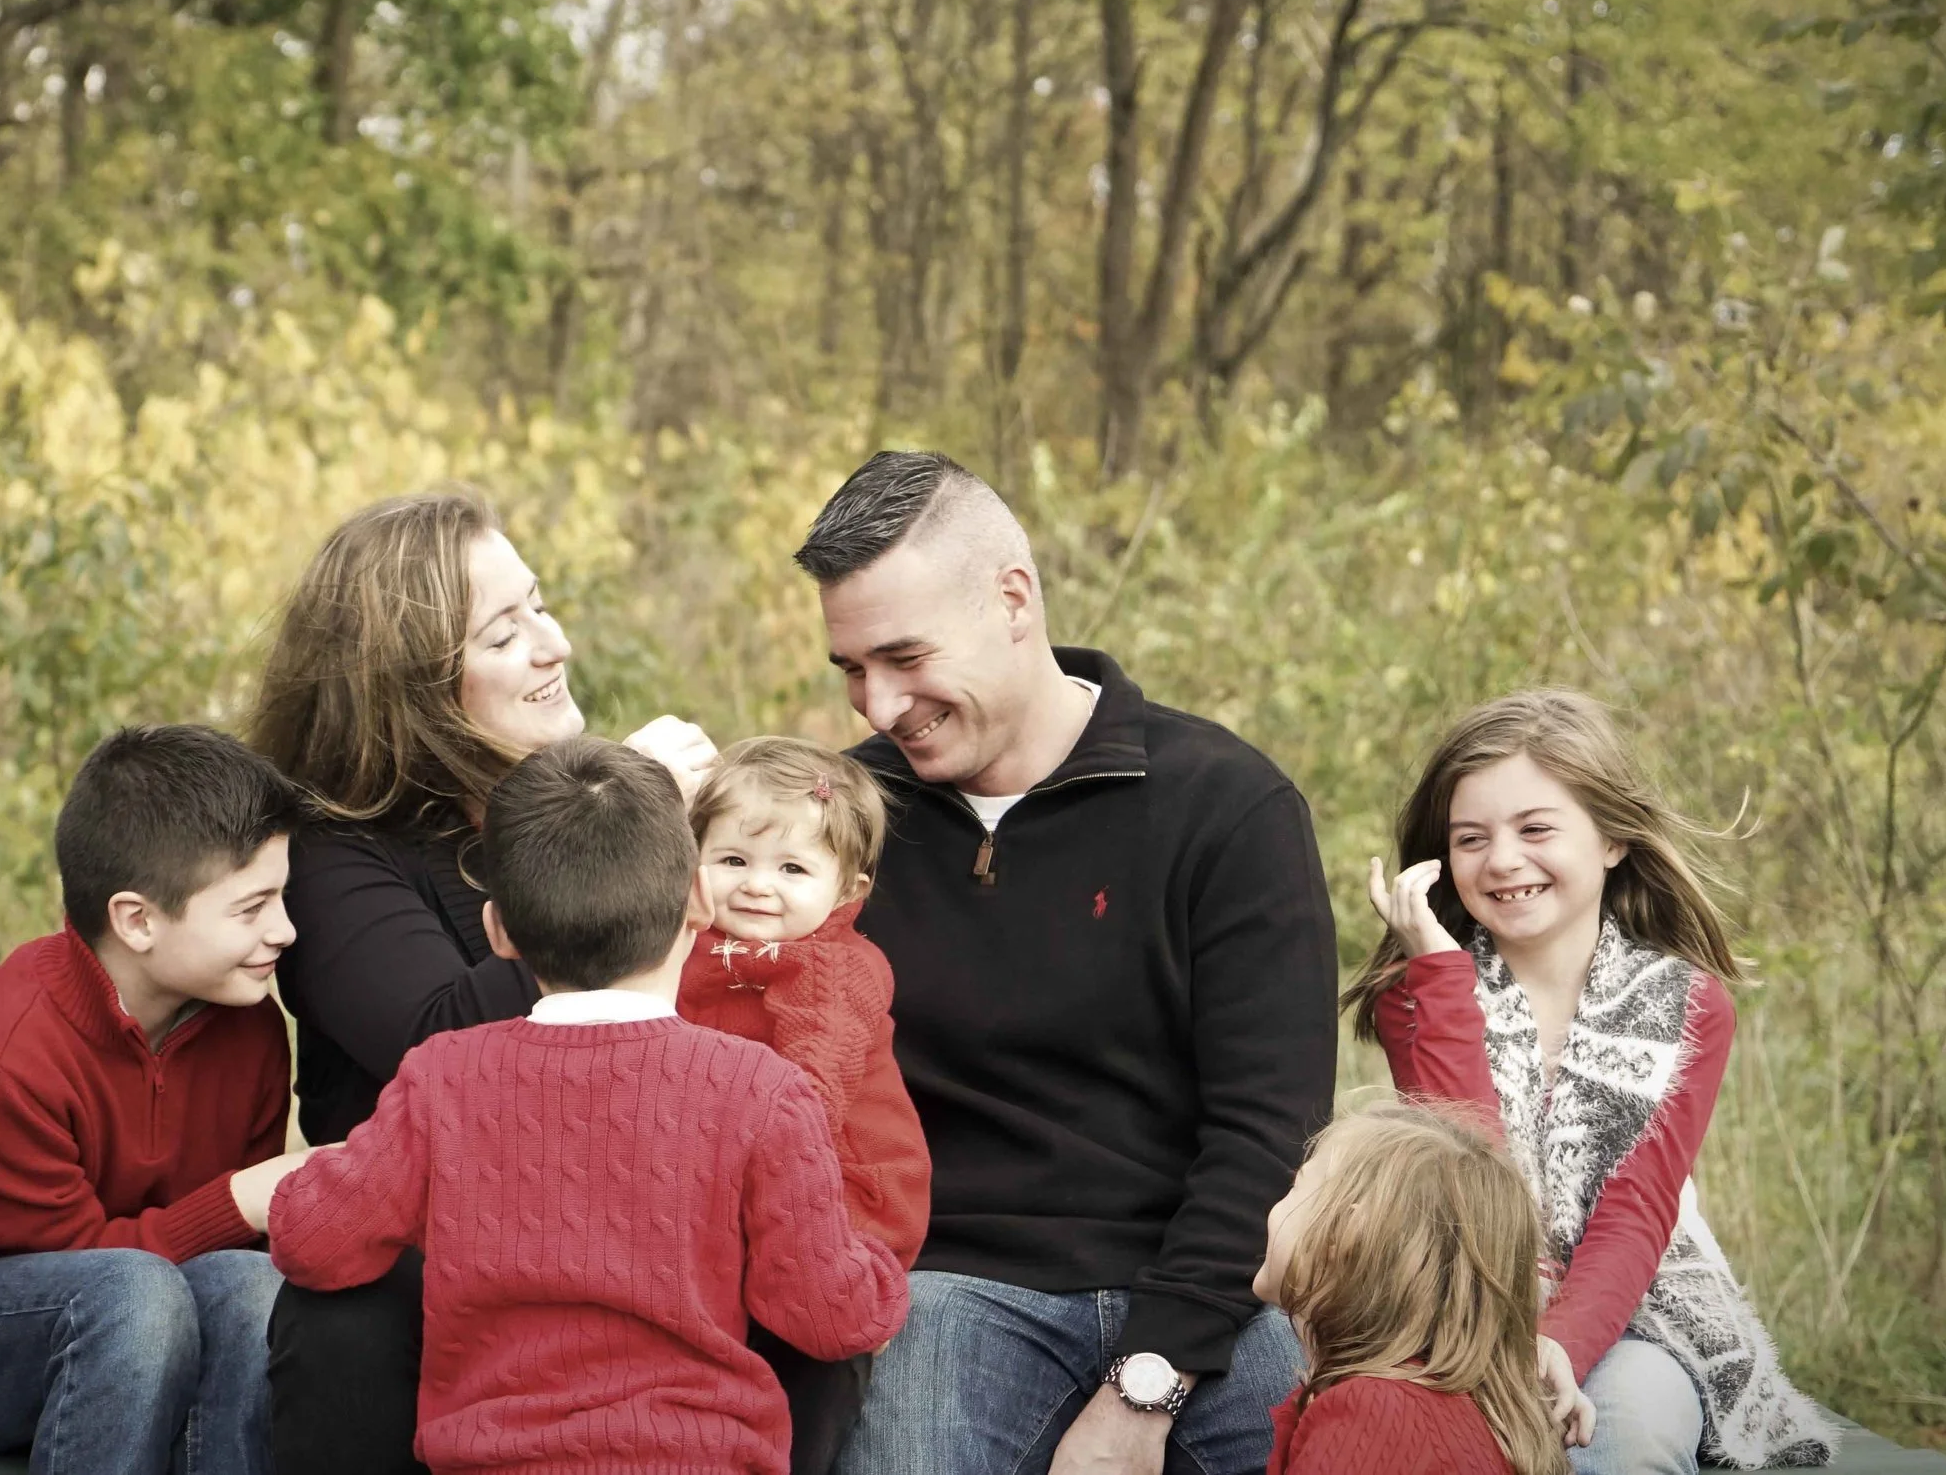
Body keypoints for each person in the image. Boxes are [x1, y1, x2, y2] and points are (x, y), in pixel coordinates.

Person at [804, 451, 1337, 1475]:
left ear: (1014, 600)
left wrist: (1150, 1379)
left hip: (1212, 1288)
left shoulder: (1226, 806)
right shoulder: (835, 823)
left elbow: (1269, 1130)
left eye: (904, 657)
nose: (878, 704)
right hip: (945, 1287)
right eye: (852, 669)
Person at [270, 736, 909, 1475]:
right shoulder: (763, 1089)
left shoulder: (441, 1077)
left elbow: (312, 1242)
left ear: (498, 932)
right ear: (699, 901)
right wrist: (880, 1277)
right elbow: (828, 1315)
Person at [248, 491, 717, 1475]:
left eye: (539, 606)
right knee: (344, 1324)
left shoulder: (564, 791)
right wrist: (618, 834)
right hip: (429, 1238)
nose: (555, 645)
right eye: (505, 634)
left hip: (620, 1208)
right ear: (409, 691)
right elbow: (443, 1041)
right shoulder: (336, 856)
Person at [0, 725, 313, 1475]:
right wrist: (239, 1201)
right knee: (132, 1297)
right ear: (137, 920)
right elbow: (65, 1269)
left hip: (134, 1310)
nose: (285, 930)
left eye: (283, 897)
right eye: (252, 907)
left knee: (250, 1285)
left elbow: (219, 1258)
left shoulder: (249, 1026)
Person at [1348, 689, 1837, 1470]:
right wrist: (1438, 974)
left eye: (1536, 828)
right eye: (1471, 838)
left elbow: (1638, 1210)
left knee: (1629, 1433)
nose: (1502, 860)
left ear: (1612, 838)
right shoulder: (1420, 997)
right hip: (1464, 1301)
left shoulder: (1687, 1006)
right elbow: (1470, 1176)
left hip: (1638, 1311)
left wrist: (1560, 1346)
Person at [676, 736, 933, 1474]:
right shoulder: (685, 946)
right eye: (733, 860)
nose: (759, 886)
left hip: (842, 1191)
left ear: (847, 890)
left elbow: (811, 1091)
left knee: (810, 1350)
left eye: (792, 869)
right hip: (729, 1187)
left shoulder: (833, 968)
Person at [1252, 1100, 1579, 1475]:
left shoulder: (1370, 1418)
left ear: (1346, 1233)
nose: (1275, 1205)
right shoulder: (1447, 1404)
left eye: (1296, 1185)